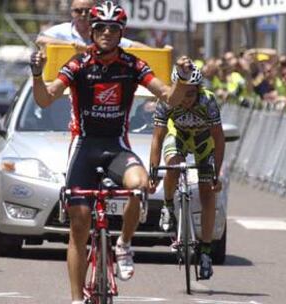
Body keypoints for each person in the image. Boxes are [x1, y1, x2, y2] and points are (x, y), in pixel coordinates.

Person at [29, 2, 189, 303]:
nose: (105, 33)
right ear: (91, 30)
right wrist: (38, 75)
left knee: (140, 187)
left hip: (116, 144)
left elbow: (170, 97)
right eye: (99, 27)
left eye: (112, 28)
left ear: (120, 32)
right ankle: (77, 299)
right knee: (79, 224)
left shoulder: (132, 65)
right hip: (85, 146)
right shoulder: (79, 64)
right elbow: (46, 99)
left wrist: (181, 78)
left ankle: (124, 244)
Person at [149, 59, 225, 280]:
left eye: (191, 94)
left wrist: (216, 174)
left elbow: (219, 139)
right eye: (183, 93)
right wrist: (154, 174)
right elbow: (157, 139)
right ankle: (168, 204)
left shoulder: (208, 101)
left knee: (207, 191)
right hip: (179, 136)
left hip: (203, 141)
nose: (187, 99)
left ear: (199, 91)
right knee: (173, 164)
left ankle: (206, 253)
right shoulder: (166, 101)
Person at [35, 0, 149, 52]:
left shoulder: (101, 32)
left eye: (88, 11)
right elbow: (40, 40)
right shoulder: (63, 30)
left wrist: (162, 53)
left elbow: (132, 45)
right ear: (72, 12)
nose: (83, 15)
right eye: (78, 11)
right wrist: (73, 46)